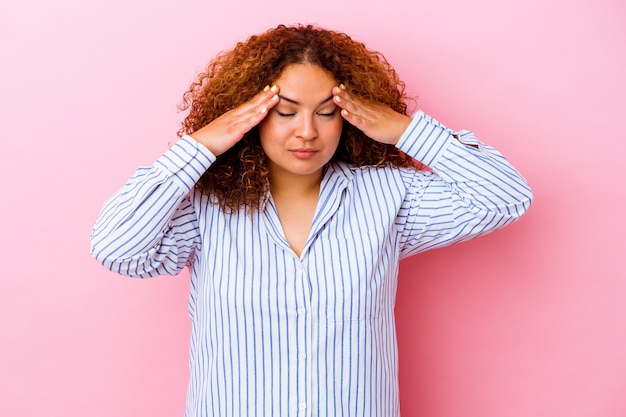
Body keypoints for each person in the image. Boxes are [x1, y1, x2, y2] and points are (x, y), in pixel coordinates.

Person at [90, 24, 533, 417]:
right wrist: (201, 146)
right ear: (251, 116)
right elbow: (116, 247)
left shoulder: (388, 195)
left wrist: (405, 131)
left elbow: (506, 197)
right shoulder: (204, 207)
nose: (307, 131)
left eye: (326, 112)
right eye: (286, 112)